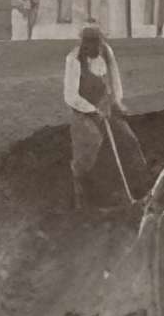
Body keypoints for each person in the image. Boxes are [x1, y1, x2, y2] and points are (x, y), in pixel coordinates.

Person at [60, 22, 147, 212]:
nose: (94, 48)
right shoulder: (73, 59)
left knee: (128, 140)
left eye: (97, 43)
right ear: (83, 43)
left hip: (107, 106)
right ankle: (85, 200)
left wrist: (115, 102)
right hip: (83, 110)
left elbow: (115, 82)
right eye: (89, 44)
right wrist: (92, 110)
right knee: (93, 144)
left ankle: (139, 191)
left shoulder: (107, 52)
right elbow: (70, 96)